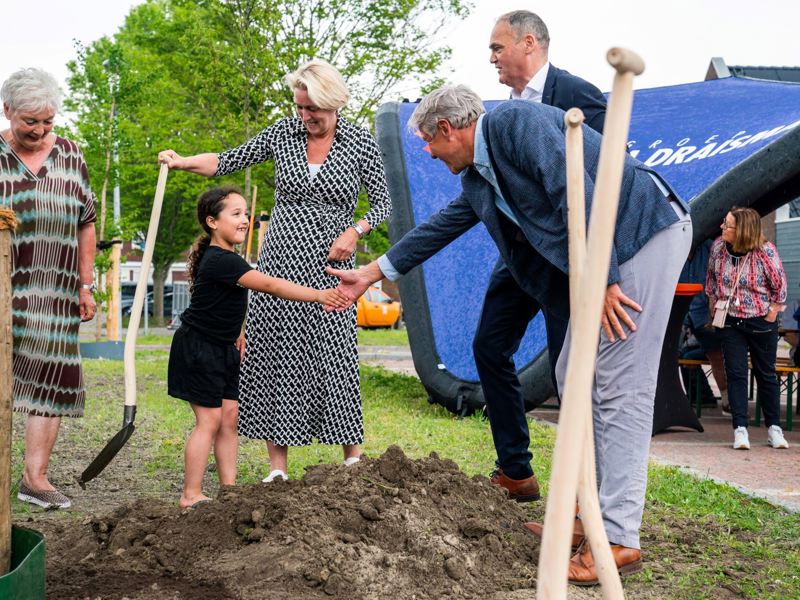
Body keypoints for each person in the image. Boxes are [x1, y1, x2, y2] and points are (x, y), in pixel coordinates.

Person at [326, 85, 692, 585]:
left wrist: (602, 277)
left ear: (447, 129)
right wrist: (371, 272)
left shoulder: (517, 123)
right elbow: (443, 225)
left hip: (639, 236)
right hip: (609, 254)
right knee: (572, 375)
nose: (429, 155)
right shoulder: (479, 177)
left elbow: (574, 192)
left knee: (619, 386)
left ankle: (620, 537)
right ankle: (586, 517)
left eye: (430, 144)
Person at [158, 59, 391, 482]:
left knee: (333, 351)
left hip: (332, 259)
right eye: (300, 108)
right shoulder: (284, 132)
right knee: (275, 352)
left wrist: (356, 231)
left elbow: (383, 203)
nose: (306, 117)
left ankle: (352, 458)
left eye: (313, 110)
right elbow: (227, 161)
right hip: (281, 252)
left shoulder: (359, 141)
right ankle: (277, 467)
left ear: (333, 103)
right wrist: (182, 161)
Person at [474, 10, 607, 500]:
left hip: (564, 258)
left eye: (497, 47)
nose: (491, 58)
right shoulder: (497, 111)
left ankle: (583, 497)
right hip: (517, 254)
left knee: (567, 370)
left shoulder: (579, 97)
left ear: (528, 43)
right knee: (489, 346)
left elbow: (606, 174)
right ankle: (516, 470)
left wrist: (598, 268)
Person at [168, 187, 347, 508]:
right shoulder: (219, 259)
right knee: (208, 421)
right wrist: (319, 295)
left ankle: (229, 490)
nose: (245, 220)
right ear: (212, 222)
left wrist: (237, 330)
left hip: (223, 346)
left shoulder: (229, 258)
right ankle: (190, 494)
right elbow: (270, 285)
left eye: (245, 213)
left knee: (230, 417)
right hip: (198, 347)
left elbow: (220, 300)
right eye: (235, 214)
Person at [1, 68, 97, 509]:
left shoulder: (72, 155)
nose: (40, 131)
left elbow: (86, 222)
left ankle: (34, 479)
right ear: (7, 112)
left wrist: (85, 284)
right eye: (30, 122)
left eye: (48, 122)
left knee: (51, 379)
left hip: (56, 291)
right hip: (6, 288)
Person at [706, 207, 788, 450]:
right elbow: (711, 279)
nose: (722, 228)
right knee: (736, 373)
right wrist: (714, 305)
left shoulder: (765, 252)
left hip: (760, 320)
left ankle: (774, 428)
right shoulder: (719, 248)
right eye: (724, 223)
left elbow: (780, 288)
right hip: (731, 321)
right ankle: (740, 429)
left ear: (742, 230)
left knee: (766, 374)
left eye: (728, 225)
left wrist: (771, 315)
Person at [678, 240, 728, 409]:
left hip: (703, 314)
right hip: (681, 313)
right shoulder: (675, 247)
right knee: (670, 355)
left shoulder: (709, 248)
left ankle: (727, 400)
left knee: (716, 355)